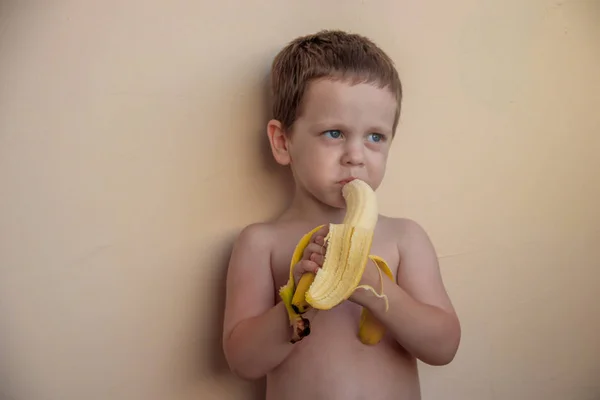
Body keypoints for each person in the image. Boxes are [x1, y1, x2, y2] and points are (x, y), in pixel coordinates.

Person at [221, 29, 461, 400]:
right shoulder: (261, 243)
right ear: (283, 142)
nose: (356, 155)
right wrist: (300, 300)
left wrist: (372, 286)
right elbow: (243, 362)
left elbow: (443, 347)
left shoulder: (404, 239)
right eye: (334, 133)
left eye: (375, 137)